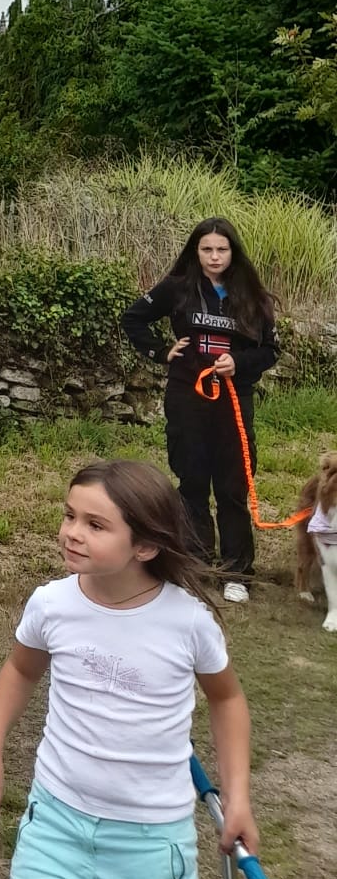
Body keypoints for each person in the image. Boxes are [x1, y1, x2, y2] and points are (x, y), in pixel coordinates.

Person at [0, 458, 258, 879]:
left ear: (146, 546)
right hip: (54, 824)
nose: (72, 533)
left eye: (95, 525)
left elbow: (226, 699)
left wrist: (237, 798)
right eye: (70, 515)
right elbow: (21, 670)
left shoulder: (188, 623)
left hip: (151, 840)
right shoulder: (51, 604)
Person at [121, 217, 280, 603]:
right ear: (196, 251)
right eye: (206, 249)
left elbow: (270, 351)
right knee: (191, 483)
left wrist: (238, 363)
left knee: (232, 488)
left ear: (233, 252)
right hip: (187, 398)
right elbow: (133, 318)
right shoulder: (178, 288)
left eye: (221, 250)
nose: (214, 256)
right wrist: (161, 351)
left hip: (233, 402)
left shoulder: (253, 296)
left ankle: (236, 573)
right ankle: (196, 565)